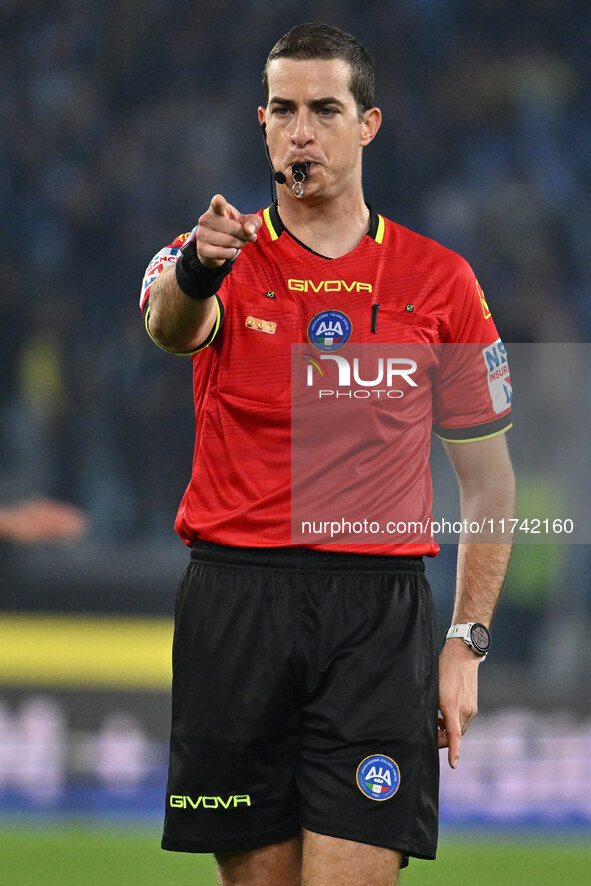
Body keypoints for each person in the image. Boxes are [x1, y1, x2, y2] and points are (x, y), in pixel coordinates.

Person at [140, 23, 515, 886]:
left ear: (367, 124)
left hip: (374, 616)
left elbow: (489, 482)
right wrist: (198, 268)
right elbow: (169, 328)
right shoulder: (214, 255)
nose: (300, 130)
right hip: (236, 600)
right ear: (260, 122)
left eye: (323, 109)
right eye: (283, 109)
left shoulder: (440, 279)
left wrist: (463, 642)